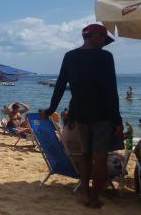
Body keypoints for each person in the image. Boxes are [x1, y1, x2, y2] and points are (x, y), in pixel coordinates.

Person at [39, 23, 123, 209]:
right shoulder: (105, 57)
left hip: (80, 116)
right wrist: (117, 120)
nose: (103, 44)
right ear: (93, 36)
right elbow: (111, 90)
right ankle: (93, 199)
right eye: (102, 39)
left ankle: (85, 191)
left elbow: (60, 85)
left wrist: (51, 108)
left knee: (85, 156)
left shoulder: (70, 57)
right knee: (100, 159)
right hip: (102, 116)